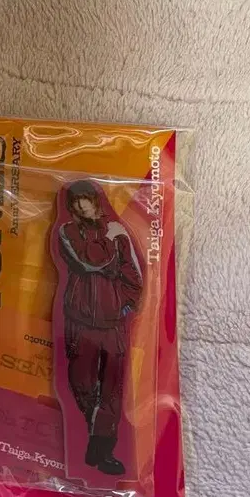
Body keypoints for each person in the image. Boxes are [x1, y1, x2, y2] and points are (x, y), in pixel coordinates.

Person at [57, 180, 143, 475]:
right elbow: (87, 261)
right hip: (80, 320)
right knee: (81, 382)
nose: (82, 206)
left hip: (112, 323)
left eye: (86, 199)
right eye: (76, 201)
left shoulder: (118, 232)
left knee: (112, 388)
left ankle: (103, 449)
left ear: (96, 201)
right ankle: (96, 432)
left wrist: (125, 304)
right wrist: (111, 241)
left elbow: (132, 273)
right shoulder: (67, 231)